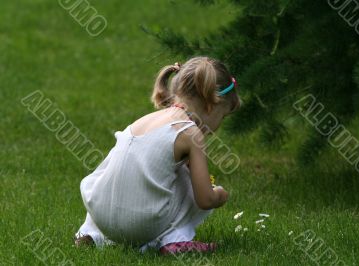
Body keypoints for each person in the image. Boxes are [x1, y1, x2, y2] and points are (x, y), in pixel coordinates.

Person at [74, 56, 241, 255]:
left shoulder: (144, 120)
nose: (218, 126)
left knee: (115, 176)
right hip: (140, 225)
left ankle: (91, 234)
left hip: (99, 213)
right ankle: (174, 240)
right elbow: (204, 199)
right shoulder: (191, 133)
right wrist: (219, 195)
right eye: (222, 116)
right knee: (188, 181)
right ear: (210, 105)